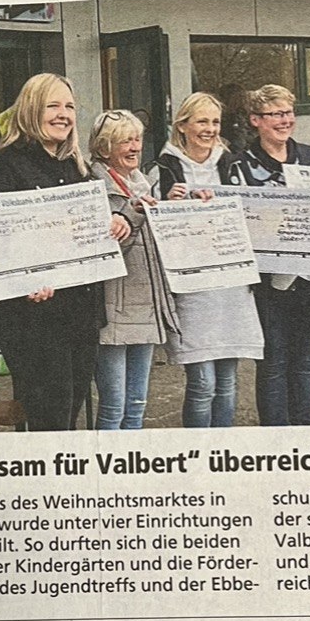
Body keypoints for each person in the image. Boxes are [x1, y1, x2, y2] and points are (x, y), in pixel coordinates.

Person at [0, 74, 129, 431]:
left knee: (72, 408)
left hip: (80, 310)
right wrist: (24, 283)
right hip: (35, 320)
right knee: (51, 417)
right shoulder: (5, 166)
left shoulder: (76, 166)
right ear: (31, 109)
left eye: (70, 107)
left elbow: (85, 226)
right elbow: (0, 243)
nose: (63, 114)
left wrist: (115, 221)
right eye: (53, 106)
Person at [223, 85, 310, 426]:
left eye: (288, 112)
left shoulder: (309, 156)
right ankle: (275, 439)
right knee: (273, 365)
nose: (285, 120)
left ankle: (306, 437)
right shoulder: (239, 164)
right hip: (268, 284)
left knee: (305, 366)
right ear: (255, 120)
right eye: (276, 114)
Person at [152, 92, 263, 427]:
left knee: (228, 383)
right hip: (193, 290)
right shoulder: (163, 167)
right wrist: (169, 206)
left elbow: (254, 215)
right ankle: (199, 452)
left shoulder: (232, 165)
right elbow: (152, 227)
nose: (210, 129)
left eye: (215, 122)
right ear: (182, 126)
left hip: (231, 286)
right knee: (203, 384)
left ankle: (222, 449)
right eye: (202, 121)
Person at [89, 110, 180, 429]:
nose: (134, 147)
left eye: (137, 139)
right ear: (104, 148)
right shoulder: (93, 188)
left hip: (145, 305)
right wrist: (133, 213)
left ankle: (130, 459)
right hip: (114, 308)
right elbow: (110, 249)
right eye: (125, 141)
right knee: (113, 405)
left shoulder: (142, 183)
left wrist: (172, 209)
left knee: (138, 404)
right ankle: (107, 460)